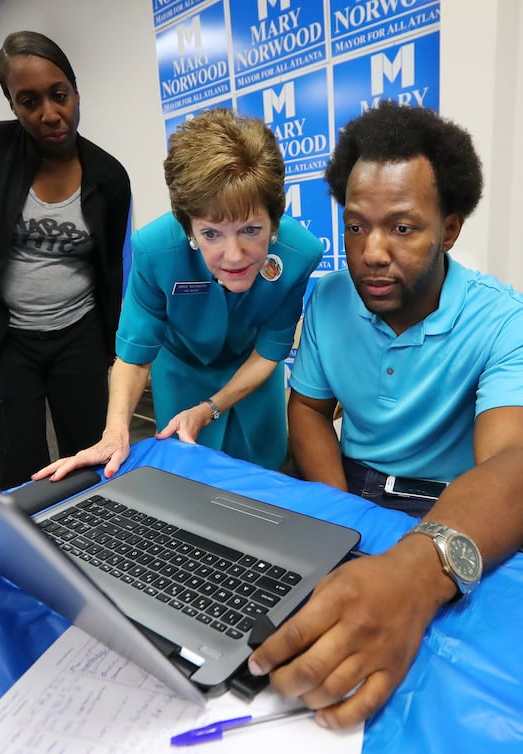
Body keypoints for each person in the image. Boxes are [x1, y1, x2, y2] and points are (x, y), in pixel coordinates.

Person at [248, 101, 523, 728]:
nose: (370, 252)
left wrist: (416, 569)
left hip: (456, 505)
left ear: (450, 229)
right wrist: (343, 517)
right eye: (355, 226)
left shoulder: (504, 320)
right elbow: (310, 412)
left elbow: (512, 461)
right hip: (351, 482)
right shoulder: (326, 298)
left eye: (402, 228)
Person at [35, 108, 323, 481]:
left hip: (254, 378)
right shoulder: (155, 251)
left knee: (267, 480)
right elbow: (135, 357)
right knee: (188, 486)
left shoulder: (299, 255)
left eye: (252, 230)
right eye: (211, 234)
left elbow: (270, 350)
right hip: (181, 377)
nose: (234, 255)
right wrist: (115, 432)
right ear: (188, 225)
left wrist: (209, 409)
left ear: (275, 218)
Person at [0, 31, 131, 490]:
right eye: (29, 101)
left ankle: (97, 547)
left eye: (59, 95)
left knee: (90, 456)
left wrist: (113, 344)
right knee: (14, 466)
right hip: (6, 340)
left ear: (76, 91)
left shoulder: (110, 177)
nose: (49, 113)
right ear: (12, 105)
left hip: (79, 334)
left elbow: (108, 268)